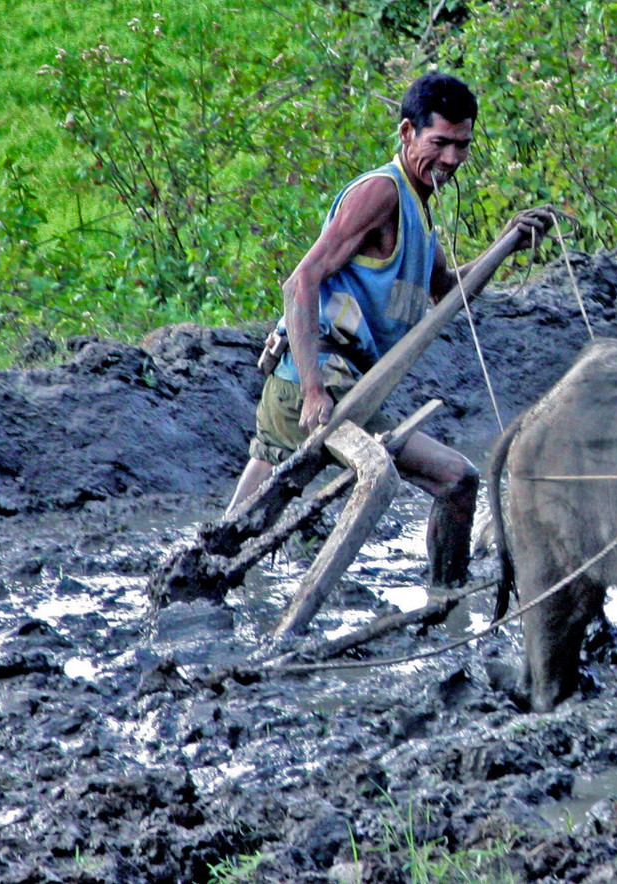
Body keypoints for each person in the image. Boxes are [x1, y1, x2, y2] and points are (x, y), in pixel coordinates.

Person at [225, 71, 554, 588]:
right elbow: (302, 281)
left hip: (343, 387)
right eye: (439, 143)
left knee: (243, 525)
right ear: (407, 133)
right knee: (457, 479)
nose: (450, 159)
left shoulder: (420, 211)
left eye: (462, 146)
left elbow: (449, 291)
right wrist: (313, 391)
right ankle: (444, 601)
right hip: (317, 385)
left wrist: (508, 242)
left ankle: (196, 583)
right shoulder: (382, 192)